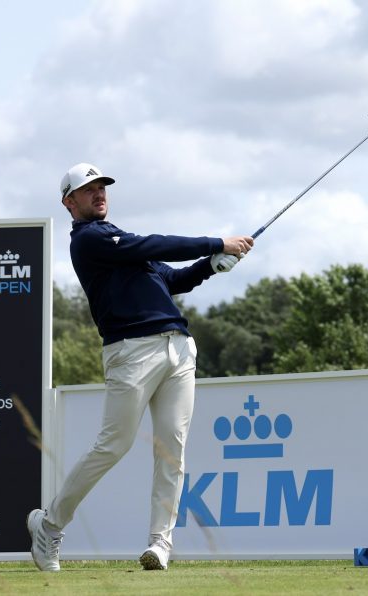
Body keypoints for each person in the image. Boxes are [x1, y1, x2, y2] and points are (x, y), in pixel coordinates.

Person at [27, 162, 253, 572]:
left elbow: (173, 279)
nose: (99, 193)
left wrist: (212, 264)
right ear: (69, 202)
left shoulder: (122, 246)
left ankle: (159, 544)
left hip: (179, 349)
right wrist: (217, 241)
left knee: (173, 450)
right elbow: (155, 246)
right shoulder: (91, 241)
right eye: (88, 188)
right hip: (131, 352)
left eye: (102, 187)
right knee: (114, 444)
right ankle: (50, 524)